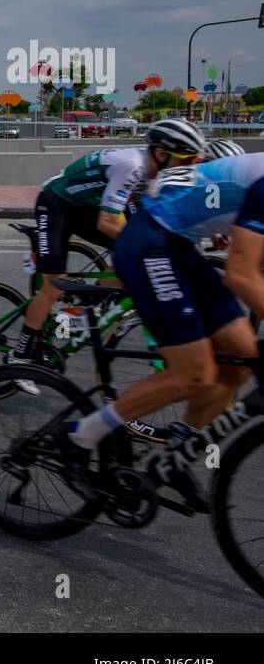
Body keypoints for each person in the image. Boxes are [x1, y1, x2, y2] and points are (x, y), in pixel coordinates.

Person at [57, 149, 260, 510]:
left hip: (178, 245)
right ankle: (78, 438)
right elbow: (242, 275)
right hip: (149, 242)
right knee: (194, 375)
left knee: (242, 356)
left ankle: (177, 453)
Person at [5, 118, 206, 387]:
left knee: (133, 258)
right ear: (161, 153)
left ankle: (84, 311)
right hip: (56, 203)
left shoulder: (154, 171)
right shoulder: (133, 166)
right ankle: (19, 356)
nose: (187, 168)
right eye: (184, 161)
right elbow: (108, 223)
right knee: (53, 286)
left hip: (86, 206)